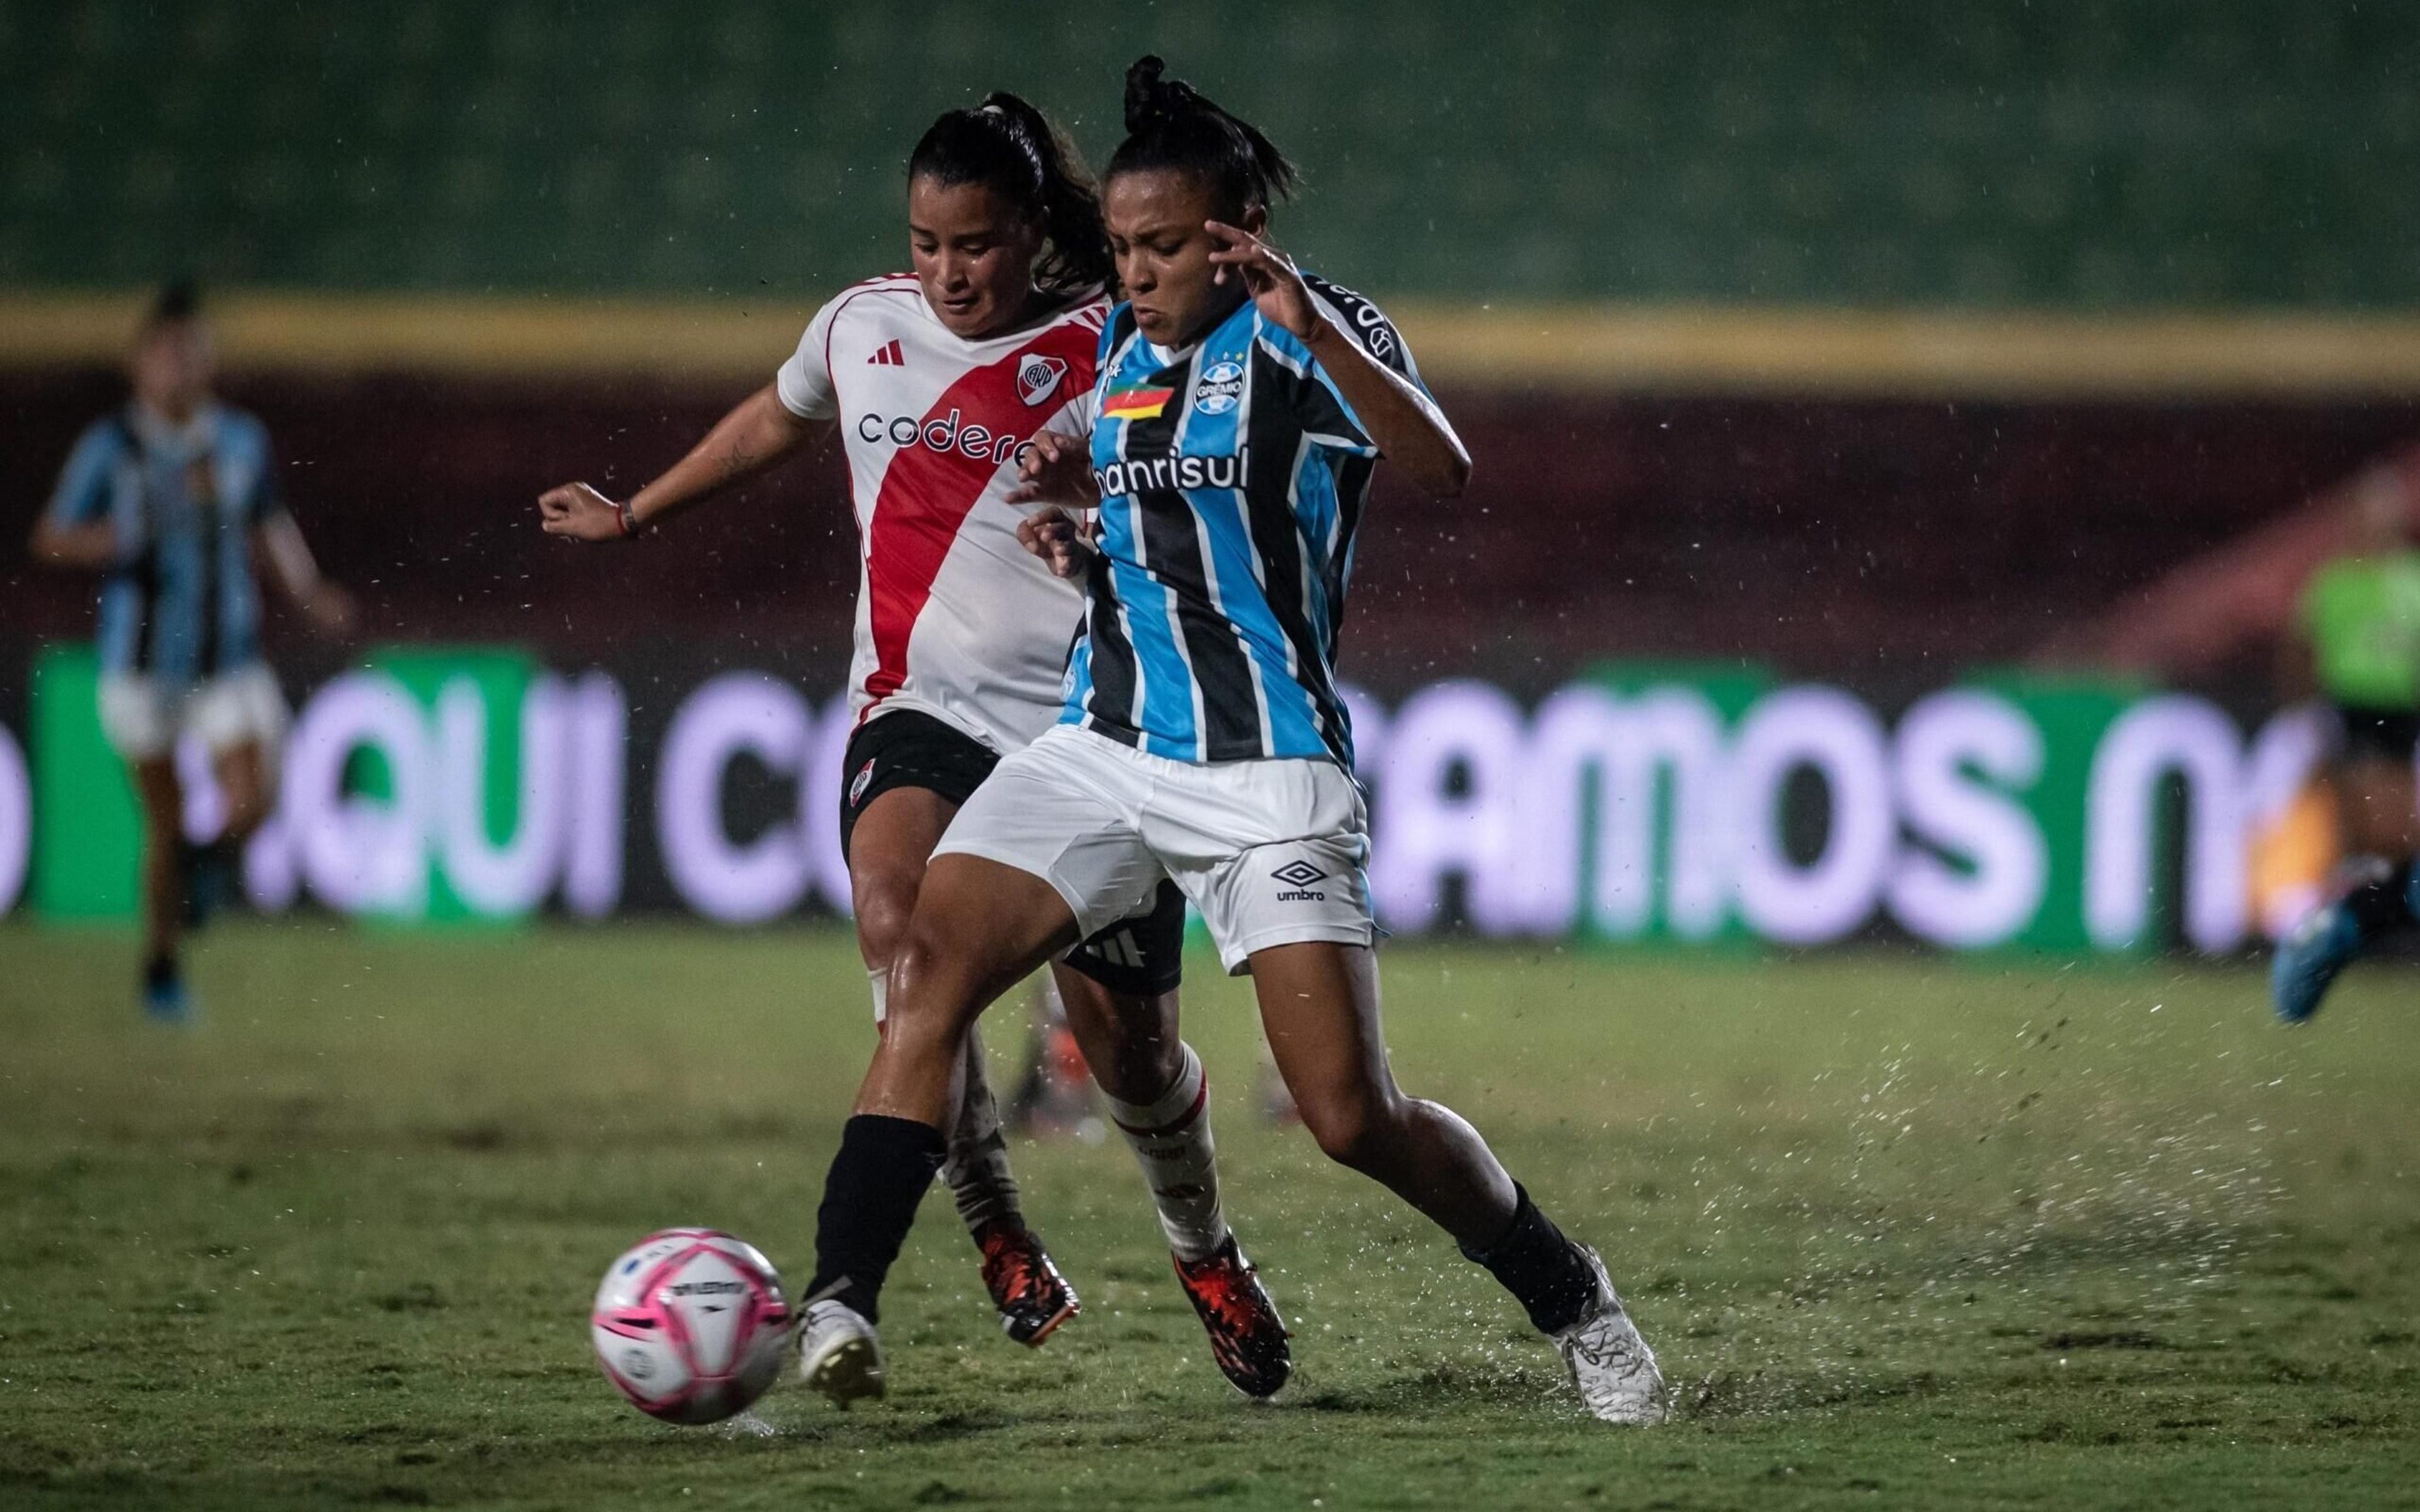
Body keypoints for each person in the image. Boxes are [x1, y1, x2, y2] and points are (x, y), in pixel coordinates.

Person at [793, 58, 1666, 1426]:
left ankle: (1576, 1301)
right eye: (1124, 248)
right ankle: (840, 1301)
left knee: (1348, 1116)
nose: (1133, 273)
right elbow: (1157, 512)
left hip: (1265, 773)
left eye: (1162, 247)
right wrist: (1086, 523)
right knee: (922, 974)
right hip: (1103, 747)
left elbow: (1442, 467)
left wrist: (1314, 325)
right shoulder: (1121, 351)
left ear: (1237, 228)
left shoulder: (1307, 338)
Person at [536, 94, 1287, 1394]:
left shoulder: (1111, 338)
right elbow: (778, 416)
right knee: (902, 956)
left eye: (978, 246)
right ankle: (979, 1229)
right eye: (929, 245)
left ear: (1030, 234)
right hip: (916, 712)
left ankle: (1202, 1246)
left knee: (1137, 1058)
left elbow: (1195, 465)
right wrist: (638, 512)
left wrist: (1101, 501)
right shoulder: (858, 326)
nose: (949, 273)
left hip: (1089, 731)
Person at [30, 281, 355, 1022]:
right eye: (168, 355)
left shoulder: (240, 439)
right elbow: (50, 535)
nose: (181, 368)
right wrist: (107, 542)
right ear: (140, 363)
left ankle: (206, 869)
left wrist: (307, 592)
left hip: (227, 656)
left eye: (192, 353)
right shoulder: (110, 446)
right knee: (165, 825)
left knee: (257, 796)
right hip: (141, 666)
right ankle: (162, 965)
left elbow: (270, 523)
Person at [2271, 464, 2420, 1021]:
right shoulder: (2334, 583)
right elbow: (2301, 648)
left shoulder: (2410, 578)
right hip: (2356, 708)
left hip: (2401, 711)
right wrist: (2304, 712)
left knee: (2395, 837)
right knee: (2368, 831)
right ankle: (2345, 923)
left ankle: (2350, 923)